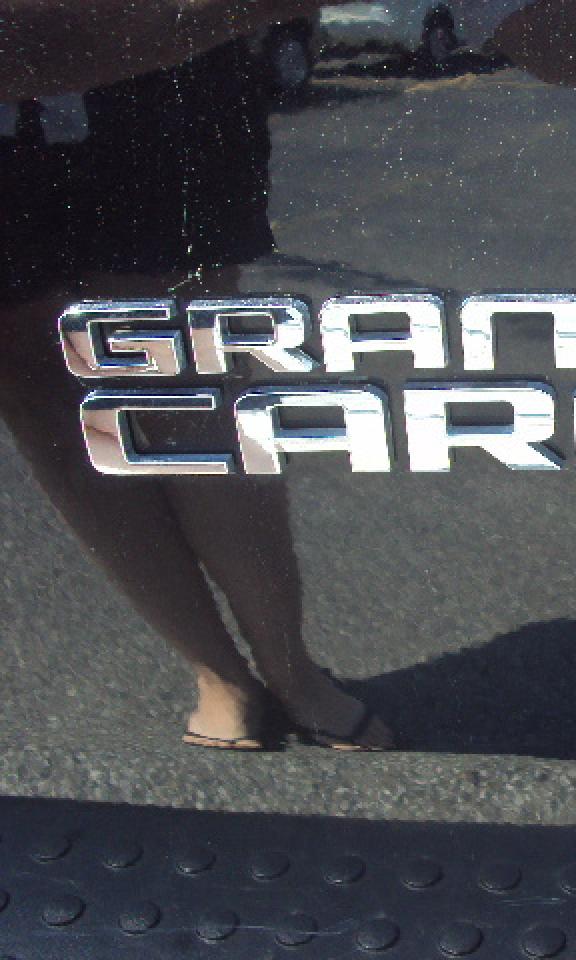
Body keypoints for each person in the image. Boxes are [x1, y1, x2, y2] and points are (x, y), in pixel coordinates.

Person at [0, 6, 394, 751]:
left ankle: (289, 668)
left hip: (146, 39)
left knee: (186, 359)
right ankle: (219, 673)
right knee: (34, 378)